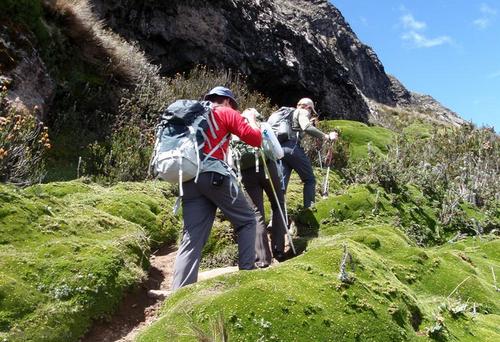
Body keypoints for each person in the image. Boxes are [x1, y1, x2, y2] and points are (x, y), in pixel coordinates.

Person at [171, 86, 263, 290]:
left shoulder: (194, 116)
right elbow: (255, 139)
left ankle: (179, 293)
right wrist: (252, 120)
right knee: (248, 221)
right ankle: (246, 279)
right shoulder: (226, 111)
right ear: (228, 101)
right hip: (214, 175)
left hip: (188, 177)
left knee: (192, 237)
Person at [232, 108, 288, 267]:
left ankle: (262, 259)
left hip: (246, 173)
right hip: (266, 167)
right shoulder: (263, 126)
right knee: (278, 204)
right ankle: (278, 248)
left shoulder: (235, 132)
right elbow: (279, 153)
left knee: (256, 213)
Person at [280, 97, 337, 209]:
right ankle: (309, 210)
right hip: (293, 148)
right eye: (311, 111)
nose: (310, 114)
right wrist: (327, 136)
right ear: (308, 107)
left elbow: (296, 128)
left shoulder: (287, 114)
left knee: (281, 186)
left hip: (280, 150)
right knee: (309, 180)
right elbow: (306, 127)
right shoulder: (303, 111)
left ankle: (276, 219)